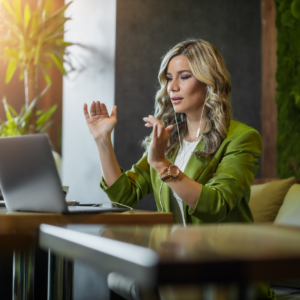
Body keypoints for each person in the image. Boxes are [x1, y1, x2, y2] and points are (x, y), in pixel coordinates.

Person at [83, 39, 276, 299]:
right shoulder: (168, 140)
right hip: (177, 270)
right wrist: (102, 140)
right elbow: (124, 194)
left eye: (183, 77)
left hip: (224, 276)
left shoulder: (242, 138)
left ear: (210, 81)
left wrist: (162, 164)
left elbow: (216, 204)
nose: (171, 87)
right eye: (168, 78)